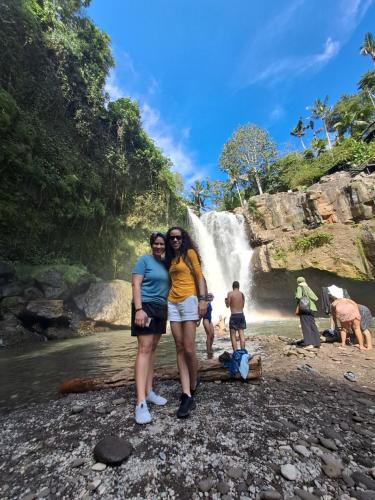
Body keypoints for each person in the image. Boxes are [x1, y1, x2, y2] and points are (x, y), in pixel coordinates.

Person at [165, 226, 207, 418]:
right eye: (172, 238)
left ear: (183, 238)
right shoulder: (170, 259)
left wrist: (203, 300)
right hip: (173, 303)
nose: (175, 240)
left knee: (189, 348)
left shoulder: (190, 253)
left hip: (190, 300)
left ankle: (194, 381)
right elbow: (169, 282)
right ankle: (186, 393)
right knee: (180, 347)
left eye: (178, 237)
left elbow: (199, 276)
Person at [131, 232, 169, 425]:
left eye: (162, 244)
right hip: (145, 307)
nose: (159, 247)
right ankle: (140, 403)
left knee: (152, 349)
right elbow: (136, 285)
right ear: (151, 244)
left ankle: (149, 391)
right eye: (156, 243)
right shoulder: (143, 260)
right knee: (144, 349)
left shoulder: (165, 263)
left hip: (161, 308)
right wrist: (139, 309)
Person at [295, 277, 320, 349]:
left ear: (298, 282)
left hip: (304, 308)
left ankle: (309, 343)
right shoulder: (308, 287)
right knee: (312, 325)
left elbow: (298, 296)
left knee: (306, 326)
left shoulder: (300, 287)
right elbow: (315, 298)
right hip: (311, 308)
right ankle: (317, 343)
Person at [225, 281, 246, 351]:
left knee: (233, 336)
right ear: (238, 286)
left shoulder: (230, 294)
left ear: (232, 287)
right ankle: (243, 352)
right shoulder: (242, 294)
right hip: (241, 315)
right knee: (241, 335)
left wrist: (226, 301)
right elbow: (243, 306)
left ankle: (236, 353)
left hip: (234, 315)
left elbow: (227, 306)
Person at [203, 293, 215, 357]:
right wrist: (198, 321)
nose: (213, 298)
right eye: (212, 297)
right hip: (205, 319)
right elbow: (202, 312)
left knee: (212, 335)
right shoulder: (205, 304)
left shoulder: (209, 303)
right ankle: (208, 351)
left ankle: (210, 347)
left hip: (210, 320)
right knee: (209, 335)